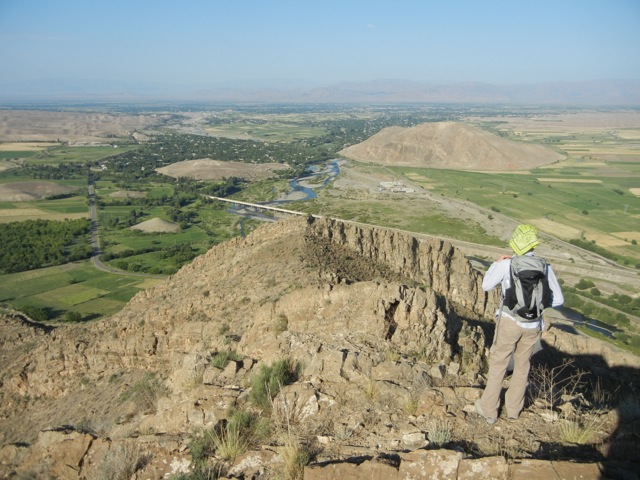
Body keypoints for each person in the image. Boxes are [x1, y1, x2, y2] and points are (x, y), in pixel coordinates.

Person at [475, 224, 564, 424]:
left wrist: (496, 263)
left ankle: (489, 409)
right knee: (523, 365)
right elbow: (558, 300)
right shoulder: (545, 267)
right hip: (533, 325)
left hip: (508, 321)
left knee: (499, 363)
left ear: (515, 243)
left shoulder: (507, 264)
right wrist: (537, 306)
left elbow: (486, 285)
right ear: (533, 245)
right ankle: (514, 410)